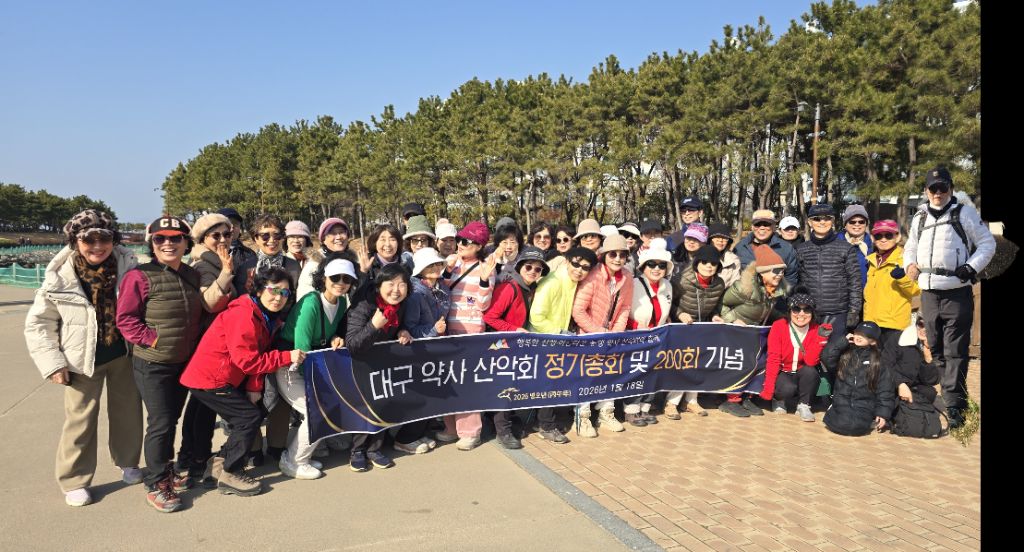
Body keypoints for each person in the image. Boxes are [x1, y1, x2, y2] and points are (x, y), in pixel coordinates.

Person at [24, 209, 143, 507]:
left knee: (129, 413)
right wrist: (53, 363)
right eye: (89, 240)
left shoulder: (129, 265)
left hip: (124, 354)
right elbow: (39, 324)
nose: (98, 246)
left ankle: (128, 462)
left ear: (114, 239)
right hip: (79, 360)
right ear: (75, 241)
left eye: (104, 238)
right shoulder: (59, 275)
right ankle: (74, 479)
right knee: (80, 419)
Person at [179, 267, 301, 496]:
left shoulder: (265, 316)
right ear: (259, 290)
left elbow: (258, 352)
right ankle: (231, 472)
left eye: (284, 293)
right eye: (273, 290)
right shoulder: (244, 314)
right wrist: (287, 357)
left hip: (221, 376)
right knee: (248, 418)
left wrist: (254, 387)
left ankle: (218, 466)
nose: (278, 298)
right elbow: (248, 361)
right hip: (211, 377)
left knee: (248, 416)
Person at [116, 215, 202, 513]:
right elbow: (126, 320)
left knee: (172, 419)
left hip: (183, 361)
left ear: (186, 243)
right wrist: (153, 340)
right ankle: (155, 482)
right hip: (153, 363)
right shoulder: (138, 276)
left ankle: (165, 469)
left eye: (175, 238)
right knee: (161, 422)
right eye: (160, 238)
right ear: (151, 243)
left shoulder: (192, 274)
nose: (168, 243)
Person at [903, 166, 995, 427]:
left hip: (956, 291)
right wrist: (909, 263)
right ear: (926, 191)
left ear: (951, 189)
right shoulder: (919, 216)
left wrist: (971, 267)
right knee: (935, 348)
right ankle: (949, 394)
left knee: (955, 350)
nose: (938, 193)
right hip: (929, 292)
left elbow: (987, 244)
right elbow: (910, 246)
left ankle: (955, 405)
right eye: (933, 188)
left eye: (943, 188)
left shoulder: (964, 213)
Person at [275, 256, 356, 479]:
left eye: (347, 279)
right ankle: (293, 461)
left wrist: (336, 337)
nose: (341, 283)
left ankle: (311, 449)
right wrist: (317, 385)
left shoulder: (341, 303)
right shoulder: (311, 303)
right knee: (317, 410)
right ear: (323, 278)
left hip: (314, 365)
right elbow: (301, 347)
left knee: (327, 404)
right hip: (292, 367)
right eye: (335, 277)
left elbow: (331, 332)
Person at [175, 212, 237, 486]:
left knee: (200, 405)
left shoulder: (219, 260)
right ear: (202, 239)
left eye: (227, 234)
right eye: (215, 235)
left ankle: (190, 455)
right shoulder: (203, 264)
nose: (222, 239)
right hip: (208, 343)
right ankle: (196, 458)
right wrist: (226, 274)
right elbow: (210, 303)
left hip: (216, 340)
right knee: (205, 405)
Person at [345, 264, 415, 471]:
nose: (396, 290)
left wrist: (402, 331)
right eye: (390, 284)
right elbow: (352, 345)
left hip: (382, 362)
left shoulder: (401, 305)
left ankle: (375, 449)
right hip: (358, 363)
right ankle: (357, 450)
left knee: (384, 401)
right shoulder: (364, 305)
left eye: (402, 285)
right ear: (378, 286)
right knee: (364, 405)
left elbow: (398, 325)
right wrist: (373, 325)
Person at [526, 246, 598, 443]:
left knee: (549, 383)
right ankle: (546, 427)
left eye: (585, 267)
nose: (579, 270)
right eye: (575, 264)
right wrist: (559, 332)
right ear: (566, 261)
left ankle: (539, 422)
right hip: (544, 340)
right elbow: (536, 317)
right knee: (548, 384)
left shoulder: (571, 282)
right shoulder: (553, 282)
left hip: (555, 340)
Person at [437, 221, 498, 450]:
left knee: (466, 381)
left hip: (470, 332)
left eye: (467, 241)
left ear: (479, 246)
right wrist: (447, 269)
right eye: (460, 239)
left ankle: (470, 432)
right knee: (447, 380)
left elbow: (483, 305)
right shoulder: (451, 263)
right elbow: (439, 291)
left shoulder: (486, 268)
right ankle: (451, 427)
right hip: (445, 329)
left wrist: (484, 279)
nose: (461, 244)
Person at [482, 246, 550, 449]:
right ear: (520, 267)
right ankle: (503, 430)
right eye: (528, 266)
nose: (532, 271)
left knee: (512, 386)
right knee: (504, 386)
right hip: (502, 345)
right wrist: (514, 330)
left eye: (537, 269)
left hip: (516, 345)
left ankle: (502, 423)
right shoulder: (509, 288)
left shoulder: (532, 289)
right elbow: (490, 317)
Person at [571, 234, 635, 437]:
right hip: (588, 334)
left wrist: (615, 333)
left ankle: (606, 413)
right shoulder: (593, 275)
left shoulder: (627, 277)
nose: (618, 259)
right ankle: (582, 418)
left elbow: (625, 307)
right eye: (613, 254)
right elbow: (578, 310)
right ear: (604, 255)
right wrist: (598, 332)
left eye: (622, 255)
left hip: (611, 335)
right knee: (586, 376)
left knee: (610, 374)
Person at [795, 203, 863, 388]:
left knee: (833, 356)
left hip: (838, 313)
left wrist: (854, 310)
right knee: (811, 356)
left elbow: (855, 282)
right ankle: (819, 394)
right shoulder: (802, 249)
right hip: (811, 314)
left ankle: (839, 392)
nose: (822, 222)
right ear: (810, 222)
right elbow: (799, 282)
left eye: (827, 218)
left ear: (833, 221)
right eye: (817, 218)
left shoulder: (845, 248)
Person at [719, 246, 790, 417]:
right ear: (762, 272)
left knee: (756, 364)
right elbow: (722, 304)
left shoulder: (774, 289)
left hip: (754, 332)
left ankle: (746, 397)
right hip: (736, 332)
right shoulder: (745, 287)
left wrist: (786, 319)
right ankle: (730, 401)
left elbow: (764, 309)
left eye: (782, 271)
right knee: (739, 365)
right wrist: (732, 320)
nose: (780, 274)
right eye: (776, 271)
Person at [397, 247, 450, 454]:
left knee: (433, 396)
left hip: (437, 350)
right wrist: (434, 330)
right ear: (420, 268)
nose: (436, 267)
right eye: (430, 265)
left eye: (438, 263)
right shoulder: (416, 293)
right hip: (420, 352)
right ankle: (404, 439)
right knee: (421, 397)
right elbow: (410, 328)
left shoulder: (441, 286)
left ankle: (418, 434)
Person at [667, 244, 725, 416]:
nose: (709, 266)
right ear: (697, 263)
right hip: (681, 328)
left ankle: (691, 401)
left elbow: (715, 307)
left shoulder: (719, 284)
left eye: (713, 263)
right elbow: (668, 302)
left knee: (698, 365)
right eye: (704, 262)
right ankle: (671, 403)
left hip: (702, 329)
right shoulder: (681, 280)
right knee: (682, 365)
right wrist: (680, 313)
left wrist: (715, 316)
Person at [758, 288, 830, 422]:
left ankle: (804, 405)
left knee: (811, 372)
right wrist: (768, 389)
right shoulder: (779, 326)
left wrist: (821, 340)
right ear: (790, 311)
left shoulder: (816, 329)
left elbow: (810, 361)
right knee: (787, 389)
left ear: (812, 312)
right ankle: (778, 399)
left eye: (807, 310)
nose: (801, 314)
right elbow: (773, 359)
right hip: (783, 372)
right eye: (796, 309)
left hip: (801, 371)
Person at [626, 238, 673, 423]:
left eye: (662, 265)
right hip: (636, 336)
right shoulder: (634, 284)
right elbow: (623, 311)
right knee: (636, 373)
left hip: (657, 338)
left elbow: (665, 311)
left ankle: (645, 408)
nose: (656, 269)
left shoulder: (668, 286)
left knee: (652, 374)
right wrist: (636, 327)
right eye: (652, 264)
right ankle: (631, 409)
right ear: (644, 266)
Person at [820, 322, 896, 436]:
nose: (859, 337)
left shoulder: (878, 361)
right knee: (841, 423)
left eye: (865, 335)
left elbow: (885, 390)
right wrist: (842, 342)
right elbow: (826, 357)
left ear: (873, 341)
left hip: (864, 407)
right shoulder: (845, 354)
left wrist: (883, 414)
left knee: (854, 426)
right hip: (841, 403)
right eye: (858, 333)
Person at [863, 219, 919, 351]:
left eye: (888, 235)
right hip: (871, 323)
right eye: (878, 236)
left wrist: (902, 278)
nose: (883, 239)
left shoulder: (906, 259)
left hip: (894, 325)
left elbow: (916, 291)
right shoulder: (870, 260)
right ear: (872, 238)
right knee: (874, 361)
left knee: (892, 361)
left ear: (897, 237)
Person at [885, 313, 942, 425]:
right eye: (921, 324)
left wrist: (927, 355)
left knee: (930, 393)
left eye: (929, 326)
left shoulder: (937, 345)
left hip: (914, 386)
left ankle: (904, 410)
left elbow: (931, 380)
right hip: (892, 382)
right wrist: (900, 384)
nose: (924, 329)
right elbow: (885, 365)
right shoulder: (898, 338)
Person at [233, 214, 301, 300]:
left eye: (277, 235)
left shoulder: (293, 266)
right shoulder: (245, 268)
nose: (271, 240)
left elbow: (295, 297)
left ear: (282, 238)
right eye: (265, 236)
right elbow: (240, 299)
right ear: (256, 239)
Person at [296, 218, 360, 300]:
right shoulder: (314, 265)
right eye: (332, 233)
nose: (338, 237)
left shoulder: (355, 262)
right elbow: (305, 298)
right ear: (323, 240)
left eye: (341, 232)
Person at [734, 209, 799, 287]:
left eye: (766, 224)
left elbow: (791, 277)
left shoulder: (786, 248)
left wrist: (783, 293)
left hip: (776, 294)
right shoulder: (740, 247)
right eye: (757, 224)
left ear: (774, 227)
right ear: (752, 227)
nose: (762, 228)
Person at [838, 204, 872, 287]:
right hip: (842, 292)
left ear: (866, 224)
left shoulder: (874, 245)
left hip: (866, 293)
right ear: (845, 224)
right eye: (852, 222)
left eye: (861, 222)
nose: (857, 224)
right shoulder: (835, 244)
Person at [217, 207, 257, 273]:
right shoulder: (207, 254)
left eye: (235, 223)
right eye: (227, 223)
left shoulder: (250, 254)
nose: (232, 227)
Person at [707, 222, 741, 287]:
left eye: (724, 238)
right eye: (717, 237)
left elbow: (735, 285)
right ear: (710, 239)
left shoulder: (734, 260)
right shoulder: (700, 257)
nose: (720, 240)